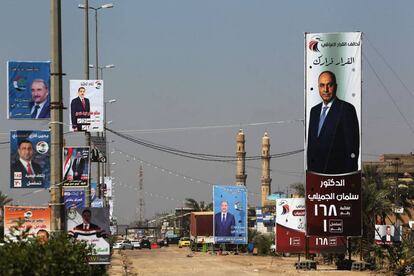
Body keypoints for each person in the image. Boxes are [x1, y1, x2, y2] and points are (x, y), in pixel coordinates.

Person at [307, 71, 359, 174]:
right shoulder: (314, 111)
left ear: (335, 87)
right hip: (317, 178)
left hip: (338, 178)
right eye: (322, 85)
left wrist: (347, 177)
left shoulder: (345, 109)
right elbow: (311, 147)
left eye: (329, 85)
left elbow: (352, 146)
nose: (325, 90)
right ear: (318, 87)